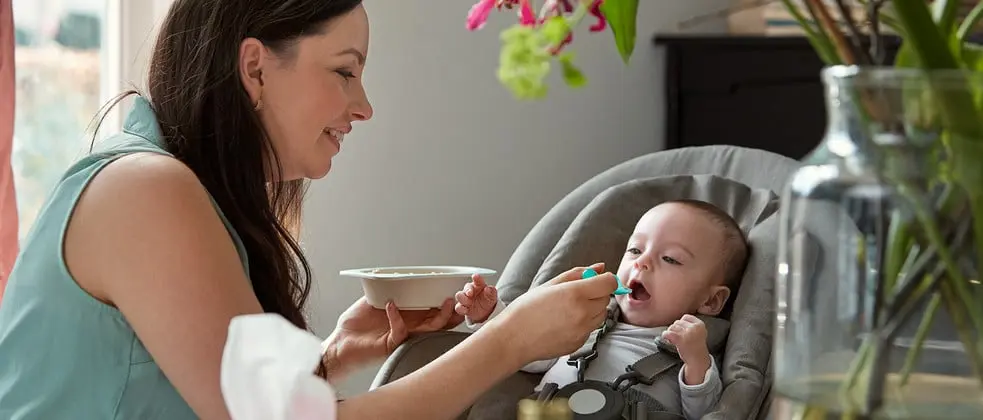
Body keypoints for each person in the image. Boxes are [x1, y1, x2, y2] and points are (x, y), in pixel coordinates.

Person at [0, 1, 620, 419]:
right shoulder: (145, 190)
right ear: (255, 68)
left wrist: (335, 356)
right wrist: (509, 341)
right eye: (345, 72)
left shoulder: (173, 187)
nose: (364, 106)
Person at [456, 199, 750, 420]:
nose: (641, 263)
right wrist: (491, 314)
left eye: (671, 259)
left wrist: (697, 360)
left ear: (710, 301)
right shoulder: (583, 321)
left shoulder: (693, 347)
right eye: (635, 250)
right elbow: (526, 352)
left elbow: (707, 412)